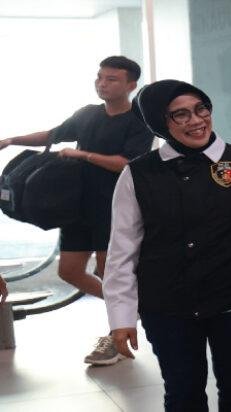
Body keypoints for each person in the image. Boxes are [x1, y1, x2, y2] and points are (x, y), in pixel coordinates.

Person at [103, 79, 231, 412]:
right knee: (182, 392)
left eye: (201, 109)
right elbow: (122, 249)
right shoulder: (138, 174)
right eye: (181, 114)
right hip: (167, 305)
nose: (196, 120)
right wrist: (121, 316)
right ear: (160, 123)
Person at [0, 56, 153, 365]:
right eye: (100, 77)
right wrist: (13, 139)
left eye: (111, 79)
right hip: (77, 207)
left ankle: (116, 336)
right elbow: (52, 135)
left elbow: (127, 164)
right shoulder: (87, 114)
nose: (102, 83)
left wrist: (83, 155)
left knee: (109, 273)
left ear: (131, 85)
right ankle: (131, 310)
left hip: (114, 208)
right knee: (69, 271)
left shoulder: (139, 121)